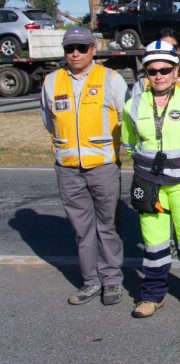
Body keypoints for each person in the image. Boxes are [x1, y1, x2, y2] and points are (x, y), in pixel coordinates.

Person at [122, 40, 180, 318]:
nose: (159, 75)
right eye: (152, 71)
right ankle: (152, 295)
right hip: (149, 186)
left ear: (177, 71)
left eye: (165, 69)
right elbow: (129, 143)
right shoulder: (133, 105)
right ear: (146, 73)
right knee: (154, 244)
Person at [40, 27, 127, 306]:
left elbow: (127, 118)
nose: (75, 53)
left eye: (81, 47)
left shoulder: (111, 79)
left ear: (93, 50)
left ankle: (112, 280)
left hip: (103, 166)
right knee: (82, 229)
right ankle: (91, 282)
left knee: (108, 226)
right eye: (69, 48)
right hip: (67, 169)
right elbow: (48, 121)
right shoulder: (52, 81)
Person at [130, 27, 180, 99]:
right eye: (152, 72)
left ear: (179, 50)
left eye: (173, 47)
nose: (168, 50)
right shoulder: (142, 78)